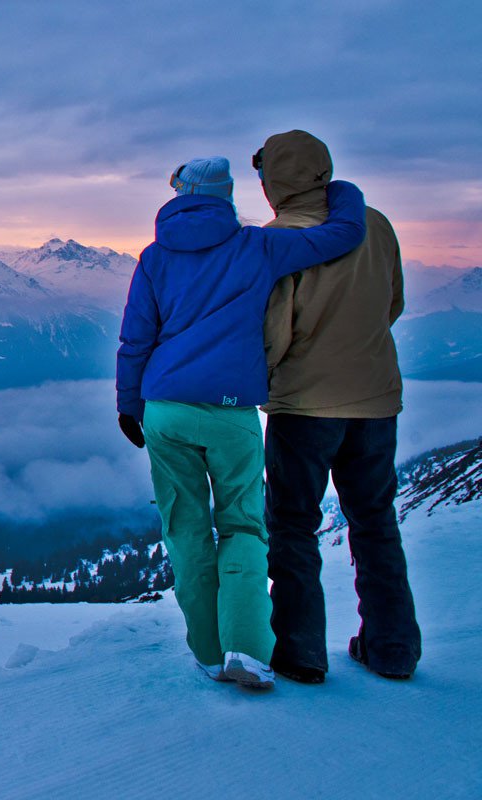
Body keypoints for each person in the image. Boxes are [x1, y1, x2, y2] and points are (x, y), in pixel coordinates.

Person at [116, 155, 367, 690]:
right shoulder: (258, 247)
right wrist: (338, 187)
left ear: (179, 196)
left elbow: (136, 339)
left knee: (185, 529)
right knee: (243, 526)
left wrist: (129, 405)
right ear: (226, 196)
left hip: (165, 410)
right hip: (231, 414)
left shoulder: (155, 257)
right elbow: (341, 235)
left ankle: (207, 652)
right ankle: (249, 651)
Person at [258, 130, 421, 684]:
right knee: (375, 521)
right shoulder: (375, 225)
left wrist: (269, 375)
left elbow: (274, 333)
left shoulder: (281, 238)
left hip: (305, 405)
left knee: (293, 524)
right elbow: (393, 302)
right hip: (376, 399)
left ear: (275, 179)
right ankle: (393, 647)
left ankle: (301, 651)